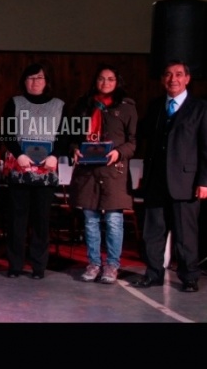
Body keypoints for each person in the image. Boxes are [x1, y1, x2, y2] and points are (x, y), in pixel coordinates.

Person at [132, 60, 207, 293]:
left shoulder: (200, 108)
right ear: (163, 79)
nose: (172, 79)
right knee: (153, 232)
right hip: (156, 181)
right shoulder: (155, 106)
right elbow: (140, 134)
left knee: (186, 235)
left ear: (187, 79)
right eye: (167, 75)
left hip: (186, 182)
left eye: (178, 75)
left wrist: (204, 181)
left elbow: (206, 148)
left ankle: (189, 277)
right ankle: (153, 274)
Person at [69, 64, 137, 284]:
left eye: (110, 79)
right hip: (87, 172)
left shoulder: (127, 107)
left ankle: (112, 266)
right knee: (90, 220)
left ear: (117, 82)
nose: (105, 83)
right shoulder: (84, 104)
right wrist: (74, 149)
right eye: (101, 78)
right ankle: (94, 263)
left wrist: (118, 153)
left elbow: (133, 142)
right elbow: (70, 136)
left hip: (113, 172)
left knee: (114, 220)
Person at [1, 62, 65, 279]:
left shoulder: (59, 105)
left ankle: (38, 266)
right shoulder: (14, 103)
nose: (35, 82)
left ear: (46, 81)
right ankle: (15, 265)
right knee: (17, 221)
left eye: (39, 78)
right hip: (19, 169)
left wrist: (55, 155)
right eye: (30, 78)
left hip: (46, 172)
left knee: (41, 221)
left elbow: (65, 136)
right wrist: (19, 154)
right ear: (24, 81)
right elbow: (7, 133)